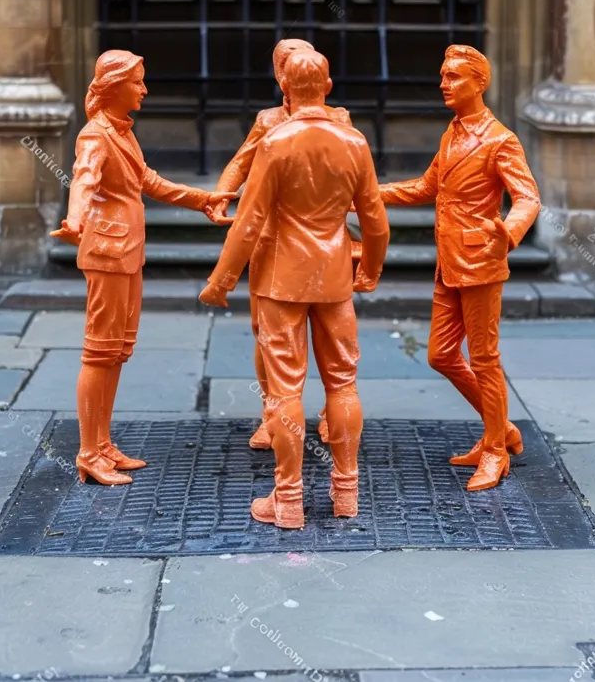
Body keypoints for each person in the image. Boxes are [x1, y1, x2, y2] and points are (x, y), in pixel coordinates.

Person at [200, 50, 390, 528]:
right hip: (333, 277)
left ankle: (287, 502)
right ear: (327, 86)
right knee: (343, 385)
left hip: (281, 279)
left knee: (285, 391)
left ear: (285, 87)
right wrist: (369, 268)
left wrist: (221, 281)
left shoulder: (275, 140)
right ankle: (346, 494)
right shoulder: (354, 141)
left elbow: (248, 224)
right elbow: (377, 223)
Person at [52, 50, 235, 485]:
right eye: (138, 82)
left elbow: (147, 181)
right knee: (99, 352)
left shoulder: (122, 132)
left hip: (127, 253)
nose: (145, 89)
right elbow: (84, 179)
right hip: (108, 254)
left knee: (117, 351)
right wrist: (75, 218)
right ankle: (87, 452)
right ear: (115, 86)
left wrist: (202, 199)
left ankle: (102, 443)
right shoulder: (96, 135)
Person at [378, 44, 540, 491]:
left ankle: (494, 451)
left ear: (479, 83)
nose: (443, 84)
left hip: (482, 261)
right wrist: (371, 193)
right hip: (449, 262)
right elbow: (427, 186)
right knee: (441, 355)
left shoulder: (500, 139)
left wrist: (507, 233)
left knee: (485, 359)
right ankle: (501, 429)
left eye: (452, 77)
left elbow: (528, 197)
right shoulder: (452, 133)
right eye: (443, 75)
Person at [211, 38, 353, 451]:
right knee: (266, 334)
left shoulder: (340, 120)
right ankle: (274, 413)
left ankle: (332, 413)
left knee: (333, 337)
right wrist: (222, 193)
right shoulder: (268, 121)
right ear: (280, 76)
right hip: (272, 240)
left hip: (325, 242)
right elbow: (241, 160)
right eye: (285, 65)